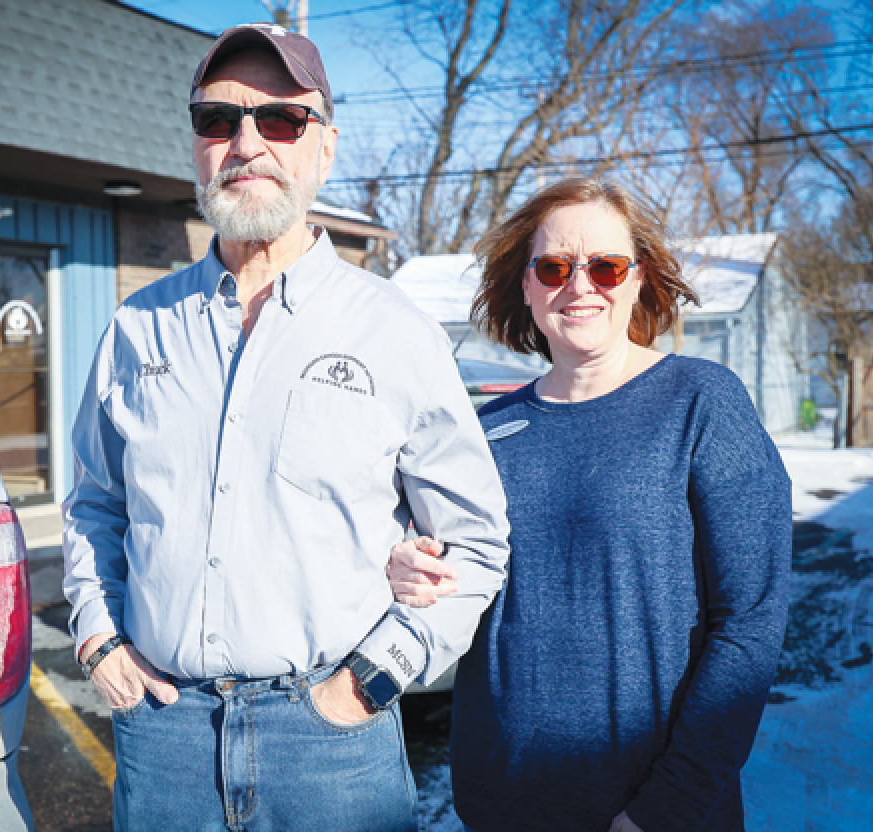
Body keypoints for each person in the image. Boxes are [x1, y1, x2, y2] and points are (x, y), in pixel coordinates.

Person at [62, 23, 512, 832]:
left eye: (280, 119)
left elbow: (476, 543)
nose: (245, 143)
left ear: (325, 147)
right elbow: (96, 505)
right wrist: (98, 638)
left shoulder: (395, 333)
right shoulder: (136, 329)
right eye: (217, 119)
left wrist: (373, 680)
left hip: (332, 747)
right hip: (163, 736)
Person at [389, 179, 792, 832]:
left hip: (653, 810)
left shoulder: (700, 402)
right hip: (502, 805)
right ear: (526, 286)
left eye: (604, 266)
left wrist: (668, 807)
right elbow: (449, 576)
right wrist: (408, 565)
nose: (579, 286)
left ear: (637, 280)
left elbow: (749, 624)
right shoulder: (481, 431)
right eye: (553, 267)